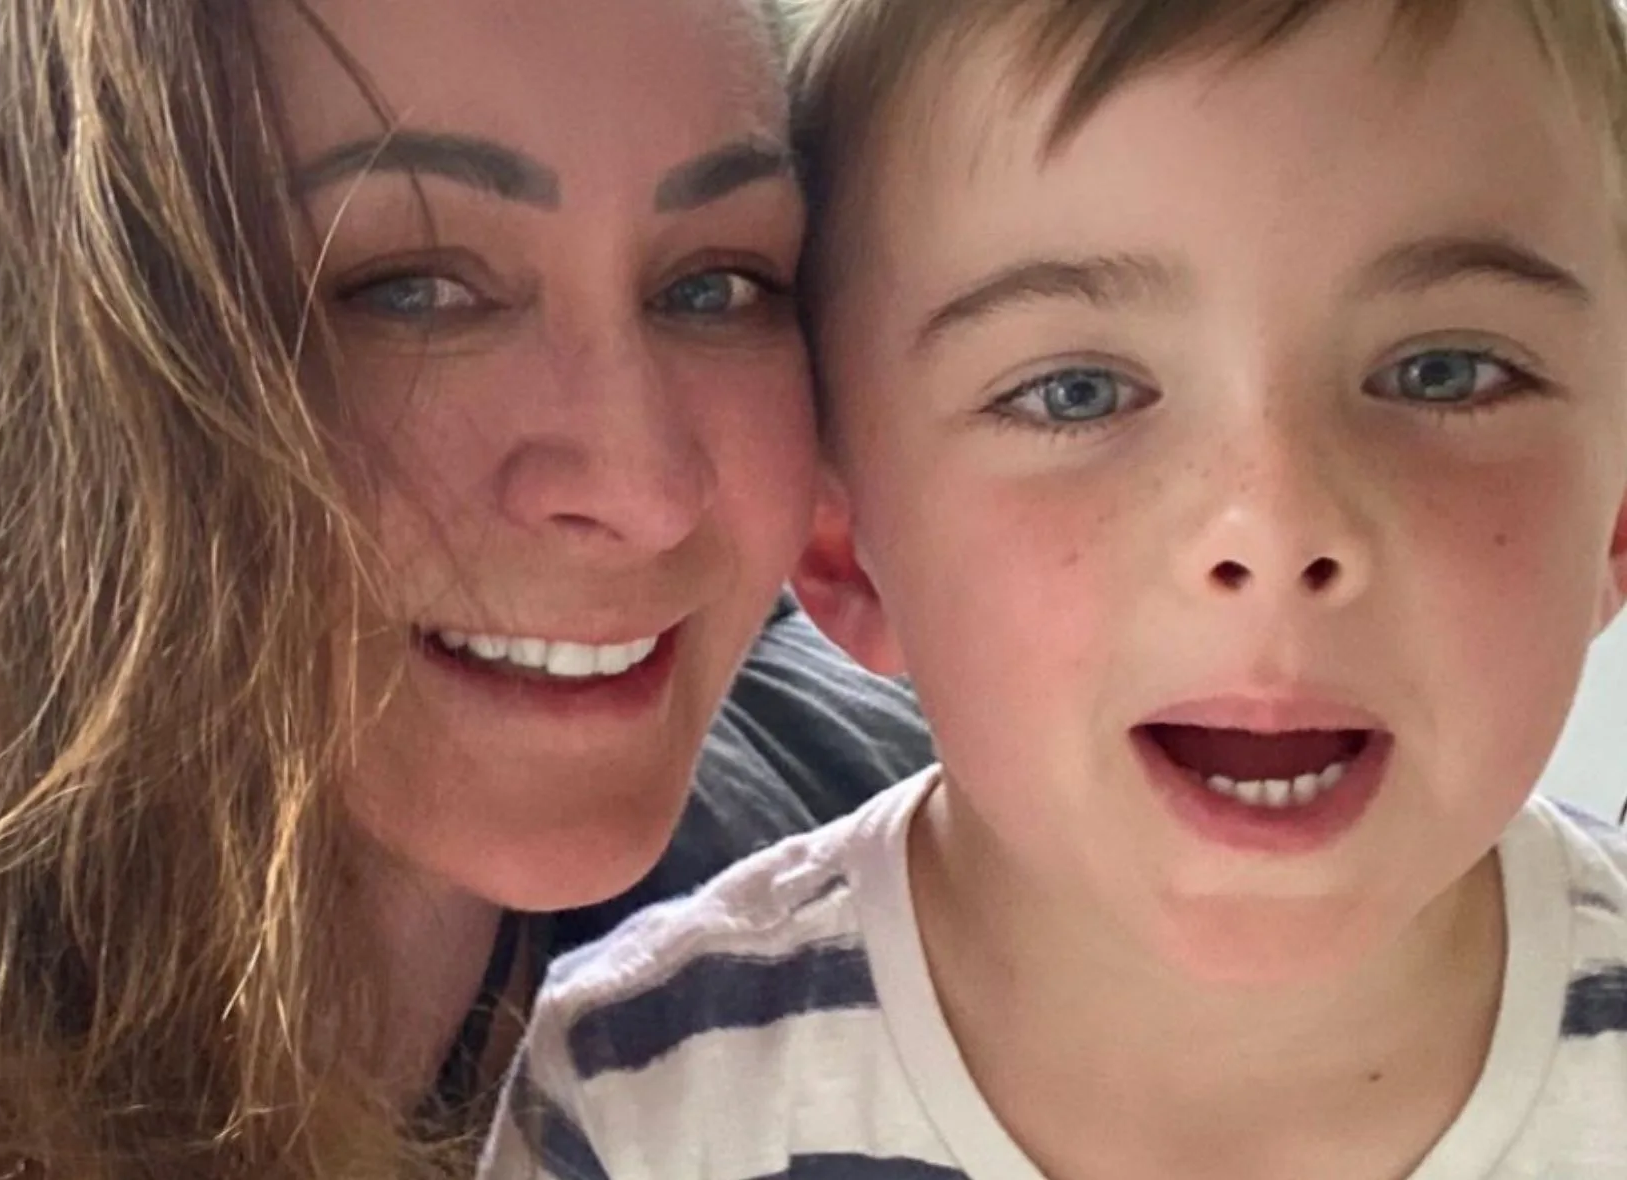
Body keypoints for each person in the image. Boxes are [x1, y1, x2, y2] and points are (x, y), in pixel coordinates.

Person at [0, 0, 928, 1177]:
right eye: (407, 290)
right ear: (18, 373)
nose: (647, 488)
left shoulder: (874, 931)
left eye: (714, 284)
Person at [482, 0, 1627, 1176]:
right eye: (1074, 392)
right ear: (840, 547)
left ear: (1617, 516)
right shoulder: (646, 1100)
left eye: (1446, 373)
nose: (1276, 527)